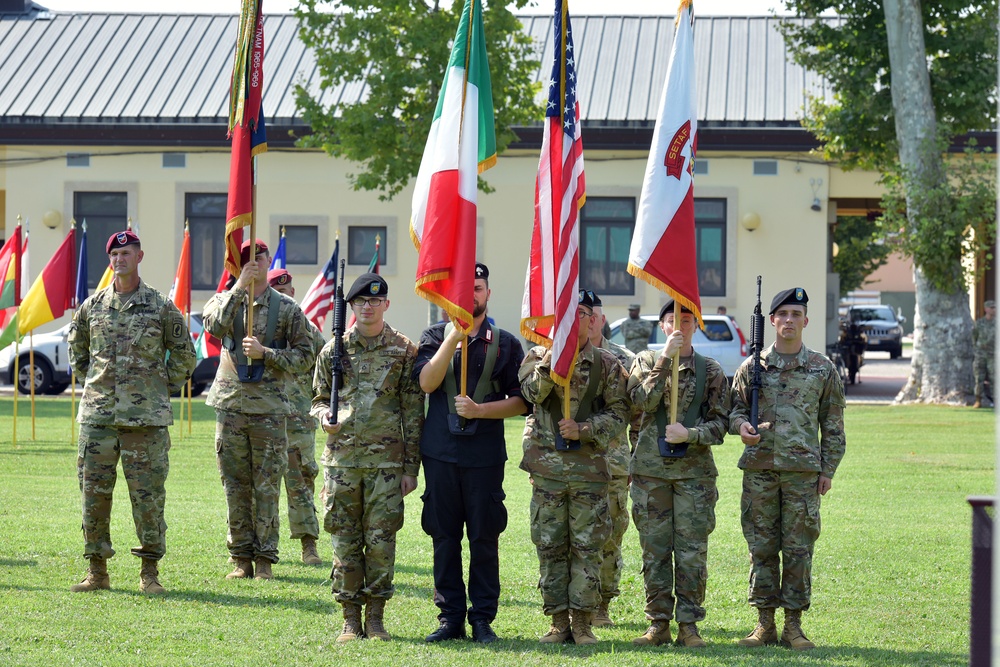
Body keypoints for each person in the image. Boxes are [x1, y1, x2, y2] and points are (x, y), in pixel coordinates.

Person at [68, 230, 196, 594]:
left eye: (127, 252)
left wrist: (158, 388)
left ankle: (149, 572)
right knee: (94, 496)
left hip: (147, 423)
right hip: (99, 419)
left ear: (140, 257)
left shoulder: (159, 305)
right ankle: (97, 570)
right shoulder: (92, 307)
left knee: (148, 497)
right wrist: (96, 383)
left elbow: (186, 353)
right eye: (115, 254)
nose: (120, 259)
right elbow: (77, 352)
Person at [416, 263, 527, 644]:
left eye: (477, 288)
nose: (471, 296)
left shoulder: (507, 342)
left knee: (484, 537)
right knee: (444, 537)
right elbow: (427, 384)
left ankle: (482, 619)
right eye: (465, 290)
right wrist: (453, 338)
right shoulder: (433, 336)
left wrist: (481, 411)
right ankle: (450, 618)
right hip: (441, 454)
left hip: (484, 456)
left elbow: (521, 402)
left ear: (488, 294)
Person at [729, 287, 846, 651]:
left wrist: (828, 469)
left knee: (798, 548)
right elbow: (734, 410)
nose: (790, 320)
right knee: (762, 547)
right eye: (783, 315)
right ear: (773, 321)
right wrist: (741, 427)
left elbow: (834, 423)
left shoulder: (822, 368)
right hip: (760, 470)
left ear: (806, 321)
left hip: (803, 474)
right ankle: (764, 623)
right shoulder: (753, 367)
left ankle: (793, 626)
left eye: (797, 314)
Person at [312, 273, 423, 642]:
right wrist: (323, 418)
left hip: (387, 467)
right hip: (342, 463)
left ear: (386, 305)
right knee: (344, 539)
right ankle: (349, 617)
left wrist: (411, 468)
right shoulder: (334, 351)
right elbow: (316, 400)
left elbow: (412, 412)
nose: (368, 306)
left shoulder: (404, 350)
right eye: (361, 302)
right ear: (352, 307)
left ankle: (375, 617)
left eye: (376, 301)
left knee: (381, 541)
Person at [519, 290, 630, 645]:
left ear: (591, 320)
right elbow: (531, 395)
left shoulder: (607, 364)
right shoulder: (537, 356)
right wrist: (553, 360)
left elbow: (618, 414)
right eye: (565, 314)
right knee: (550, 545)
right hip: (548, 471)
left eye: (580, 313)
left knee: (588, 547)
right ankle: (557, 622)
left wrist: (585, 429)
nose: (573, 320)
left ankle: (582, 622)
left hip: (589, 471)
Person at [204, 239, 315, 581]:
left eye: (259, 258)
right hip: (231, 406)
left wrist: (268, 353)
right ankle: (240, 558)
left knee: (266, 486)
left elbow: (306, 356)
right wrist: (238, 287)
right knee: (234, 485)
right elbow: (213, 328)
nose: (253, 263)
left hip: (269, 409)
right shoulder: (224, 300)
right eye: (246, 259)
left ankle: (265, 558)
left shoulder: (287, 309)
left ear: (269, 261)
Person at [627, 299, 730, 647]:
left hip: (694, 476)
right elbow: (640, 402)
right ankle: (658, 624)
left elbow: (721, 424)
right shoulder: (644, 361)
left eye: (687, 321)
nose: (680, 327)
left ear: (696, 326)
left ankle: (689, 626)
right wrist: (664, 360)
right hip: (650, 474)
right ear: (662, 326)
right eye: (673, 320)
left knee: (691, 552)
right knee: (654, 550)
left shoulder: (711, 370)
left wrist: (692, 434)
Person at [267, 268, 326, 565]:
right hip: (262, 416)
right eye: (278, 293)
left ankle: (308, 544)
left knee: (302, 480)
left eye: (288, 291)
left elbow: (327, 360)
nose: (285, 296)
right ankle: (251, 547)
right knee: (257, 483)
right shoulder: (257, 329)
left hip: (298, 417)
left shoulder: (306, 328)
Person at [587, 292, 635, 627]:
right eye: (581, 314)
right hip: (568, 462)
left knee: (610, 537)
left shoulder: (624, 358)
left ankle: (602, 604)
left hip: (613, 464)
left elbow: (639, 413)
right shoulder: (557, 356)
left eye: (593, 315)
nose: (588, 321)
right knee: (570, 537)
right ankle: (573, 604)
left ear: (602, 319)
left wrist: (636, 460)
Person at [973, 300, 995, 409]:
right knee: (979, 378)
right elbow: (974, 337)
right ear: (986, 309)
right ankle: (978, 400)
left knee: (994, 378)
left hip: (993, 355)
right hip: (980, 354)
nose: (994, 309)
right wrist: (977, 349)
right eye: (992, 307)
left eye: (995, 307)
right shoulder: (979, 323)